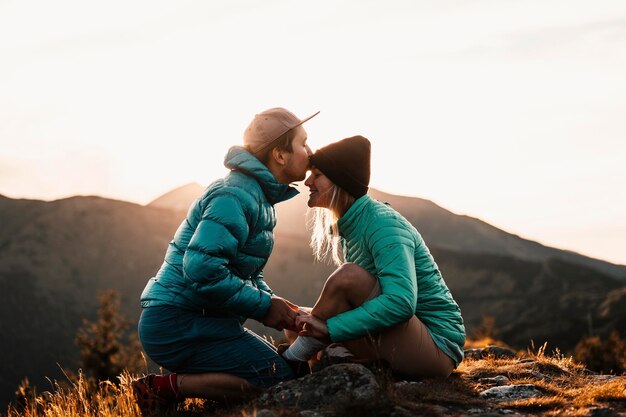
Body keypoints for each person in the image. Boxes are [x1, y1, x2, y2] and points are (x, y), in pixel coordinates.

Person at [132, 107, 318, 415]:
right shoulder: (234, 196)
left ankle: (184, 380)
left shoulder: (258, 198)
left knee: (279, 374)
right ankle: (161, 388)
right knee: (278, 380)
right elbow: (202, 270)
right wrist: (264, 306)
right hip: (177, 323)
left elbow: (244, 272)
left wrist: (275, 304)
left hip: (205, 321)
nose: (310, 152)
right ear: (280, 155)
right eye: (303, 143)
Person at [281, 135, 466, 378]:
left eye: (317, 175)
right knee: (294, 321)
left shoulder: (383, 225)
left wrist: (329, 328)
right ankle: (343, 360)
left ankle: (288, 364)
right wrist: (321, 324)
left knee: (347, 278)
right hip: (406, 336)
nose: (308, 182)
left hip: (437, 347)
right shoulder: (355, 223)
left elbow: (401, 303)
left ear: (340, 181)